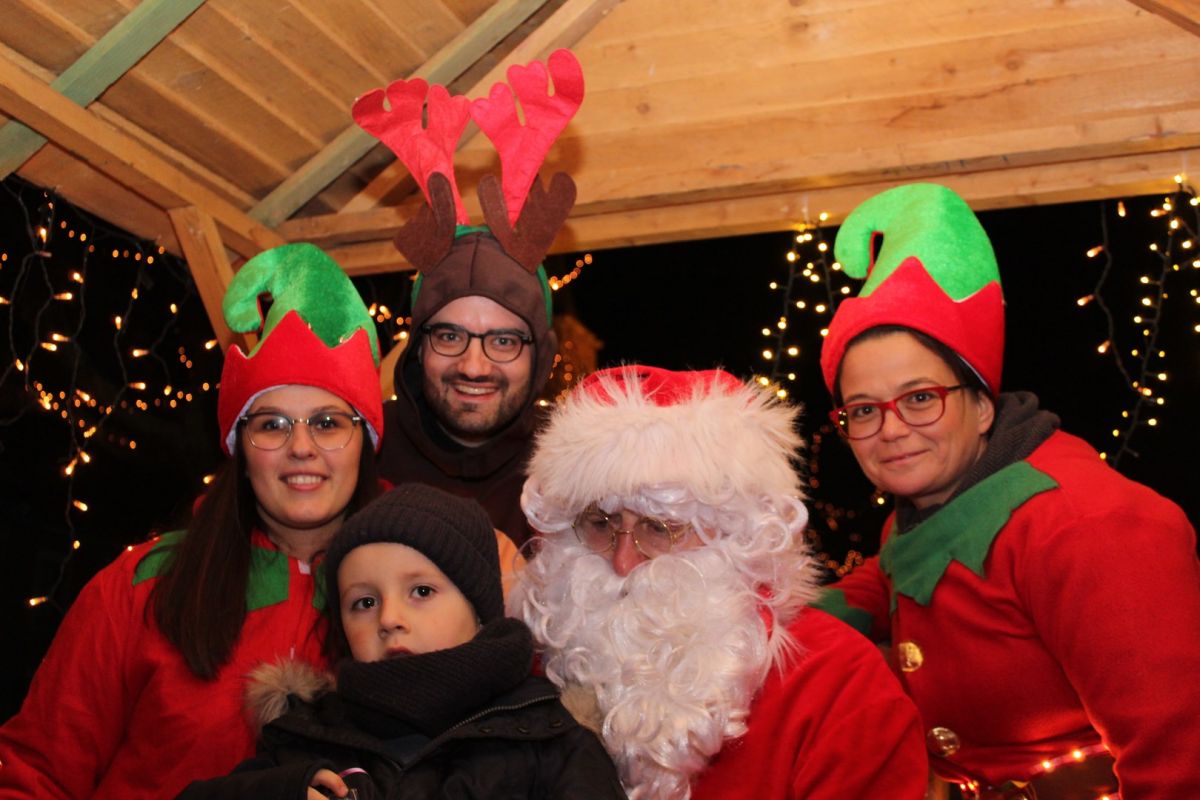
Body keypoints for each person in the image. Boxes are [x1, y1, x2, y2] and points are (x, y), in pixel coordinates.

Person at [813, 182, 1200, 798]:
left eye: (920, 398)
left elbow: (1179, 758)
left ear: (983, 406)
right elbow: (891, 578)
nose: (891, 429)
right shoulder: (928, 507)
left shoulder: (1083, 524)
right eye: (863, 410)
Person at [0, 243, 385, 799]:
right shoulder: (145, 585)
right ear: (239, 449)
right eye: (272, 425)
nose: (301, 447)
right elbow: (34, 774)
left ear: (363, 444)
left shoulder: (412, 593)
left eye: (328, 423)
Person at [509, 365, 930, 800]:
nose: (623, 562)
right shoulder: (533, 664)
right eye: (600, 523)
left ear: (736, 535)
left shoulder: (842, 686)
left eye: (660, 528)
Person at [176, 482, 626, 800]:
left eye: (422, 592)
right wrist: (284, 791)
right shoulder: (305, 738)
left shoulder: (548, 737)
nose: (389, 618)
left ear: (478, 609)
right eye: (364, 602)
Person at [352, 49, 585, 549]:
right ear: (418, 345)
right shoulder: (356, 456)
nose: (474, 366)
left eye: (503, 340)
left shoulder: (579, 471)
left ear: (540, 354)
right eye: (449, 335)